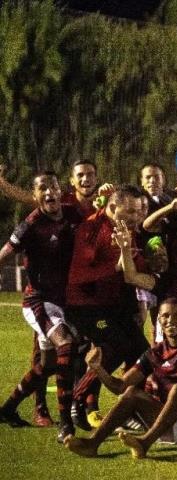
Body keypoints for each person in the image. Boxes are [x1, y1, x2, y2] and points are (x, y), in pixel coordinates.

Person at [63, 298, 177, 458]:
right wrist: (98, 368)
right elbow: (120, 387)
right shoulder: (154, 354)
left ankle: (144, 443)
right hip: (169, 423)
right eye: (165, 316)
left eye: (176, 315)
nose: (170, 320)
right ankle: (92, 443)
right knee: (131, 392)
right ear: (159, 320)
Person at [64, 185, 150, 441]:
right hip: (85, 306)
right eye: (131, 210)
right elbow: (79, 274)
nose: (137, 216)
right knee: (118, 344)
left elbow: (130, 268)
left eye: (139, 211)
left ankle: (133, 409)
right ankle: (78, 398)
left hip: (115, 307)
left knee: (143, 353)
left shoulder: (127, 230)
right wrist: (116, 266)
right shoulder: (90, 228)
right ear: (113, 207)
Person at [0, 172, 82, 439]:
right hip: (38, 300)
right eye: (42, 189)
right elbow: (4, 254)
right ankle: (65, 423)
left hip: (64, 301)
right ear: (35, 197)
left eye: (53, 187)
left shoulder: (71, 212)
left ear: (61, 190)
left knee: (46, 366)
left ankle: (8, 409)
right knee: (66, 344)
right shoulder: (30, 225)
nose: (49, 193)